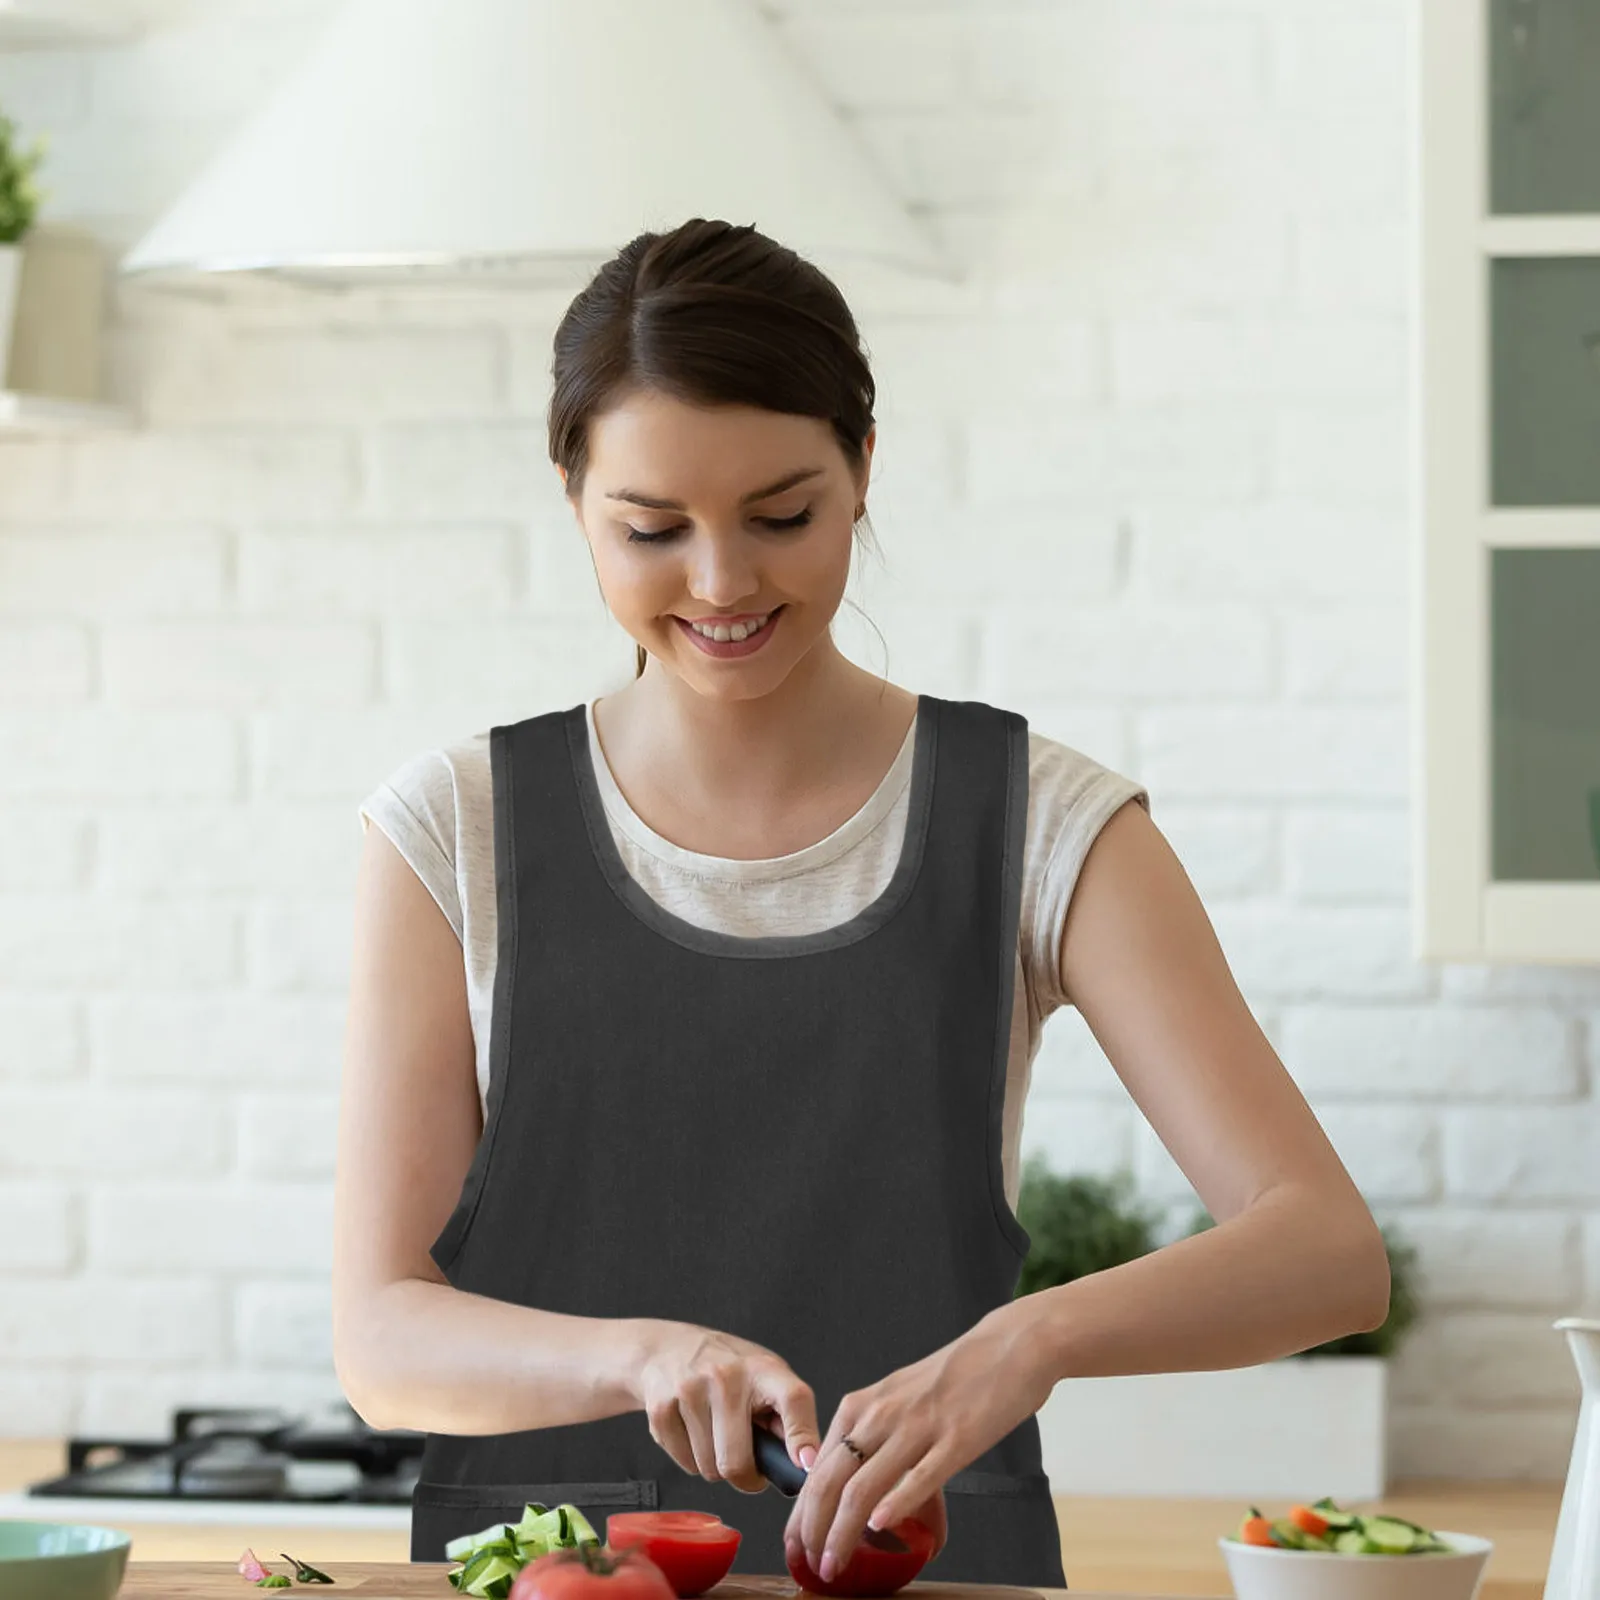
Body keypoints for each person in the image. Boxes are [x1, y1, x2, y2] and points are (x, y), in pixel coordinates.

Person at [333, 217, 1390, 1589]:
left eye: (783, 516)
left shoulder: (1047, 824)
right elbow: (382, 1340)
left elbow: (1325, 1250)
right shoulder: (452, 829)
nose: (722, 584)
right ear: (571, 492)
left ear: (864, 471)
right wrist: (643, 1356)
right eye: (651, 529)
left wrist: (1025, 1344)